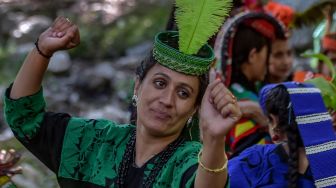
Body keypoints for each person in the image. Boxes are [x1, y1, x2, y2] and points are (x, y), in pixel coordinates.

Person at [3, 1, 241, 187]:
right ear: (137, 87)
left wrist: (213, 138)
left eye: (183, 93)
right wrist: (42, 51)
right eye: (159, 83)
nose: (167, 100)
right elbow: (26, 120)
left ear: (194, 108)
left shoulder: (185, 163)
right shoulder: (95, 142)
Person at [228, 81, 336, 187]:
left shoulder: (256, 160)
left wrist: (216, 138)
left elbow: (218, 181)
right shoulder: (329, 167)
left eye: (269, 119)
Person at [214, 10, 286, 157]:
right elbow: (256, 158)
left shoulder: (239, 94)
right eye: (267, 55)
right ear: (253, 55)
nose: (269, 62)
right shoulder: (241, 98)